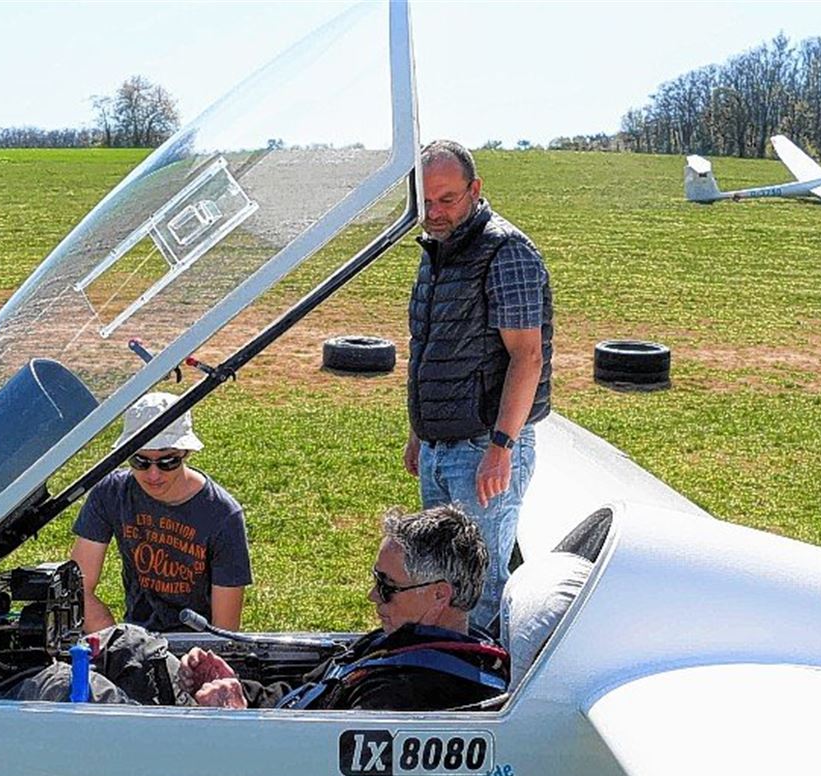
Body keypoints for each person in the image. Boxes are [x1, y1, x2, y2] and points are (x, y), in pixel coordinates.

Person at [403, 139, 552, 640]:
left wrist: (502, 446)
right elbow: (427, 344)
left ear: (476, 189)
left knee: (482, 587)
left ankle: (489, 694)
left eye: (447, 199)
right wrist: (418, 431)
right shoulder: (437, 253)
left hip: (483, 449)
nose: (435, 213)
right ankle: (445, 673)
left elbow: (526, 356)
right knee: (437, 580)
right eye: (425, 202)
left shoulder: (506, 252)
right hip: (440, 447)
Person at [179, 504, 509, 711]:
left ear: (439, 595)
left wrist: (237, 723)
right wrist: (238, 687)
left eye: (387, 586)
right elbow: (306, 692)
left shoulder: (409, 695)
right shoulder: (395, 644)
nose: (373, 596)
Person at [70, 391, 252, 635]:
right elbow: (78, 586)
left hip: (195, 647)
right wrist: (115, 646)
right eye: (140, 461)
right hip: (138, 640)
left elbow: (224, 632)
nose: (153, 474)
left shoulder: (223, 514)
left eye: (167, 462)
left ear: (186, 453)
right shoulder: (111, 492)